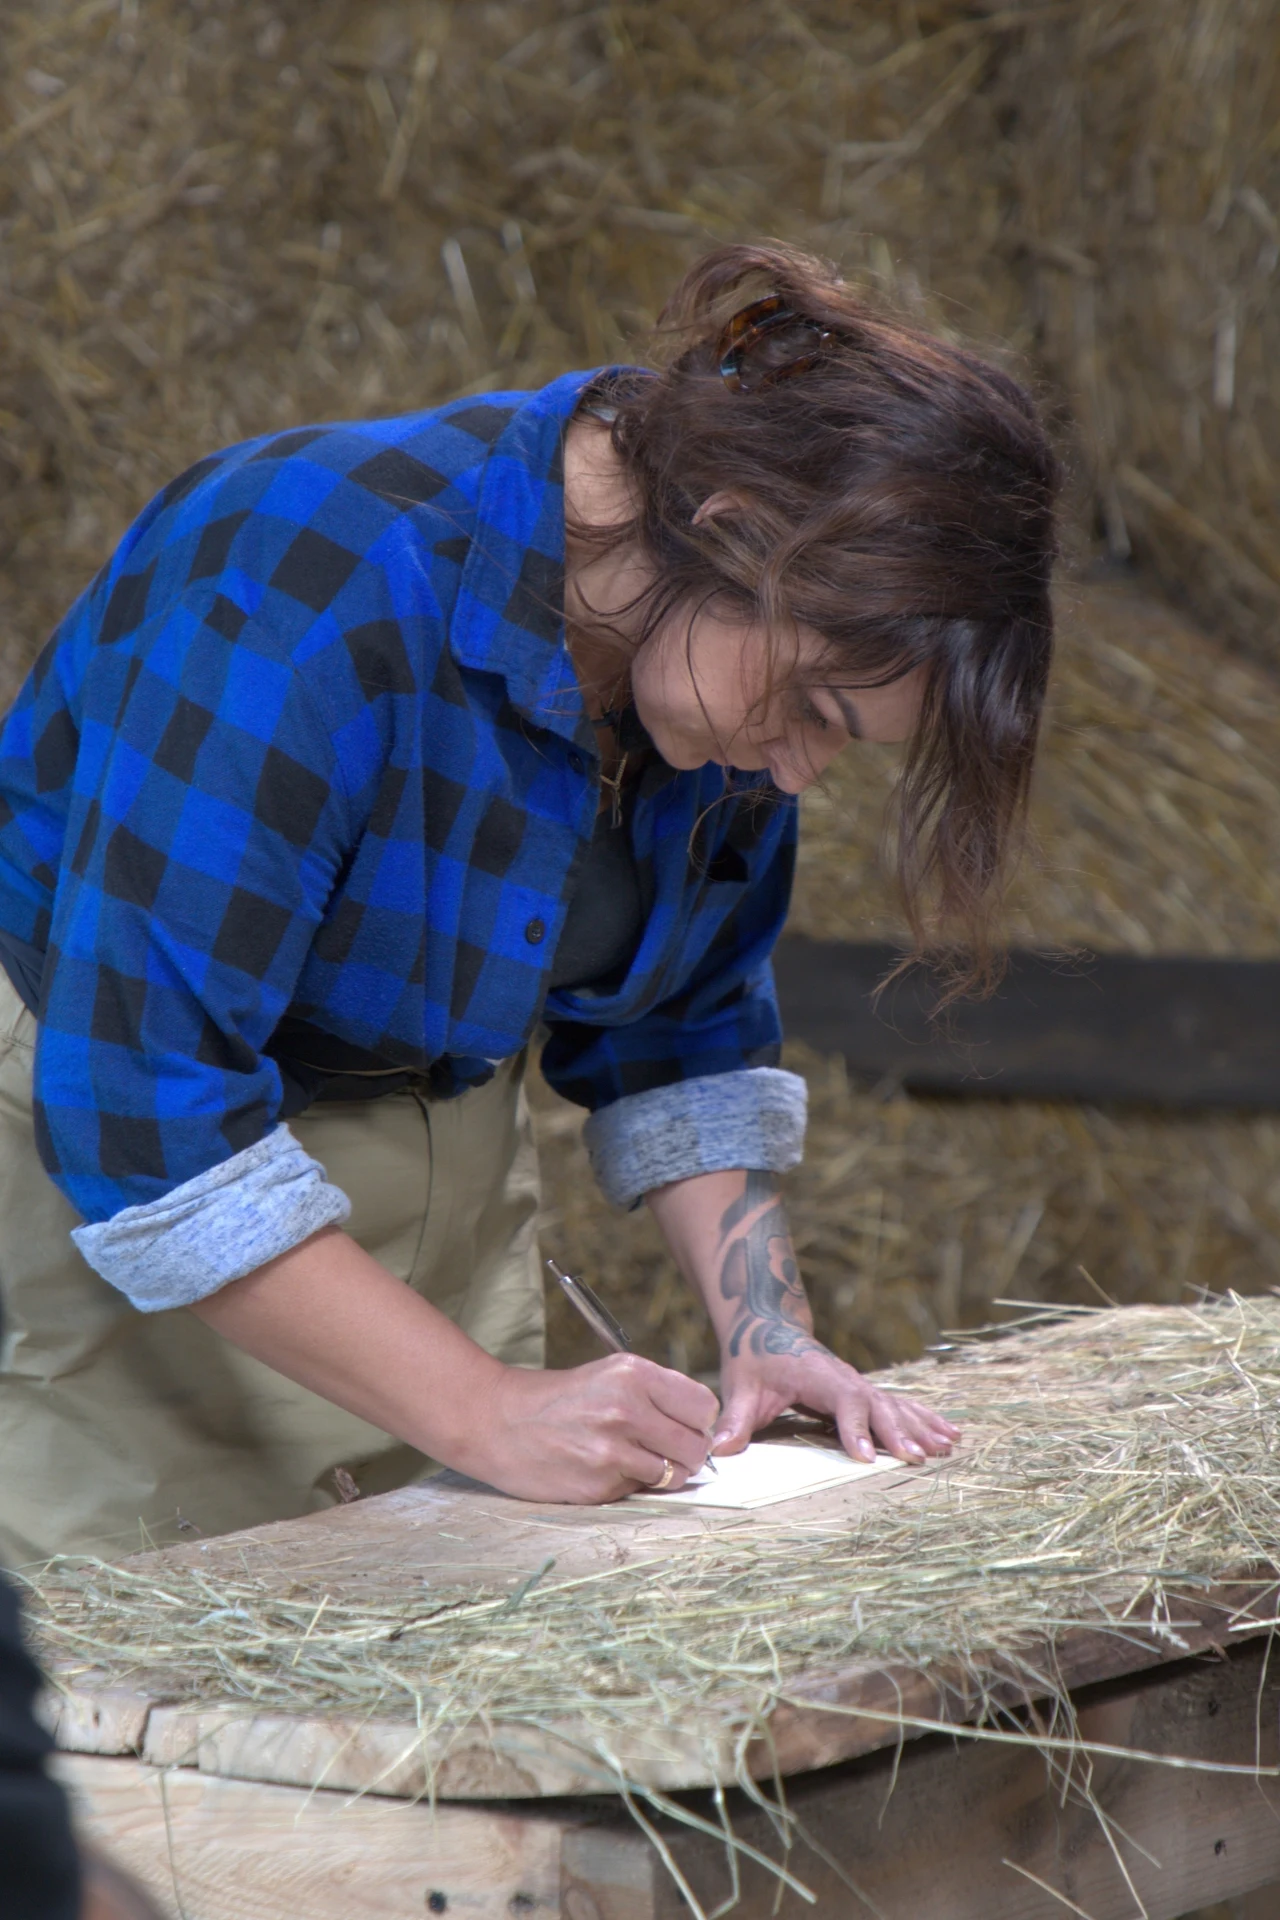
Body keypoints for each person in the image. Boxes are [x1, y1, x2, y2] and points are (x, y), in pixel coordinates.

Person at [0, 242, 1057, 1562]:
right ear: (734, 528)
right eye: (813, 708)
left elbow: (681, 1020)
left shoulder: (712, 643)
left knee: (424, 1619)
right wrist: (484, 1407)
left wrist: (767, 1330)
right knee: (130, 1634)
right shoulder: (304, 582)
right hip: (112, 1185)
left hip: (429, 1189)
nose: (798, 771)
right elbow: (143, 1103)